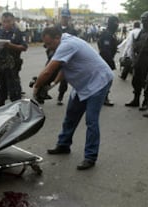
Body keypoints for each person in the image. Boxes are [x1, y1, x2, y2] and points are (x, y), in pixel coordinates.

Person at [33, 27, 113, 170]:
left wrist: (36, 88)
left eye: (50, 44)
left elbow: (48, 71)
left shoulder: (67, 44)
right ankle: (63, 145)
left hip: (98, 82)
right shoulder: (64, 43)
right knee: (71, 115)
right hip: (83, 84)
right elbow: (64, 69)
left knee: (91, 120)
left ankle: (90, 157)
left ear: (57, 37)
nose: (48, 47)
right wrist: (52, 85)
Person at [125, 11, 148, 109]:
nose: (144, 23)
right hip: (139, 58)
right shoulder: (142, 30)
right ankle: (136, 99)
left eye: (146, 21)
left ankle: (145, 102)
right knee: (136, 80)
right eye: (143, 21)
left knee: (146, 82)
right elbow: (138, 42)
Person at [0, 12, 27, 107]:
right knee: (1, 85)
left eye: (8, 21)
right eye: (4, 22)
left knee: (14, 87)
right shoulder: (0, 32)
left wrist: (11, 46)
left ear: (13, 21)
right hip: (1, 63)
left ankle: (17, 107)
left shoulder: (18, 32)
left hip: (13, 64)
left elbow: (24, 47)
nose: (6, 24)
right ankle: (1, 104)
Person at [55, 8, 78, 105]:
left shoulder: (72, 30)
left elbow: (76, 44)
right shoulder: (55, 28)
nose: (64, 19)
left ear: (69, 18)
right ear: (60, 17)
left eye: (66, 17)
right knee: (49, 74)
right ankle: (41, 93)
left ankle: (60, 96)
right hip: (55, 55)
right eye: (63, 17)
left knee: (64, 78)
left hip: (66, 57)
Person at [97, 16, 119, 106]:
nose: (117, 25)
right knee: (106, 80)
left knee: (105, 80)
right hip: (105, 60)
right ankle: (103, 98)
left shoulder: (110, 33)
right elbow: (105, 50)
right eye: (116, 23)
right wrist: (111, 62)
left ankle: (103, 97)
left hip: (106, 59)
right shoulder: (107, 34)